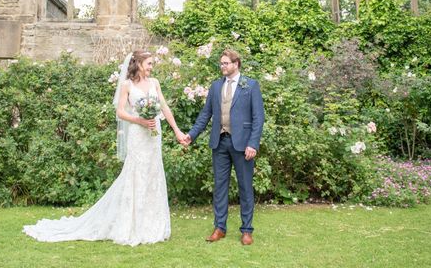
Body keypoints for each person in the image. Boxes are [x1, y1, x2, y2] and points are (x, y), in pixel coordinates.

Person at [23, 50, 186, 246]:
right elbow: (120, 112)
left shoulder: (155, 83)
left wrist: (177, 131)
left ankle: (152, 225)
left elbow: (165, 108)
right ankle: (132, 225)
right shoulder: (127, 85)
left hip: (153, 135)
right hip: (138, 133)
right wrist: (139, 120)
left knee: (153, 174)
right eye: (149, 63)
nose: (152, 67)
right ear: (139, 63)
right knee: (136, 175)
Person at [182, 48, 265, 245]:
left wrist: (253, 143)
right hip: (219, 143)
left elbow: (258, 118)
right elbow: (205, 114)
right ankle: (220, 227)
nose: (222, 66)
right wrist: (191, 135)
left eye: (226, 63)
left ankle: (246, 230)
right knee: (220, 187)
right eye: (221, 63)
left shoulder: (250, 85)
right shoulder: (216, 86)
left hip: (243, 145)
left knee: (245, 188)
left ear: (236, 64)